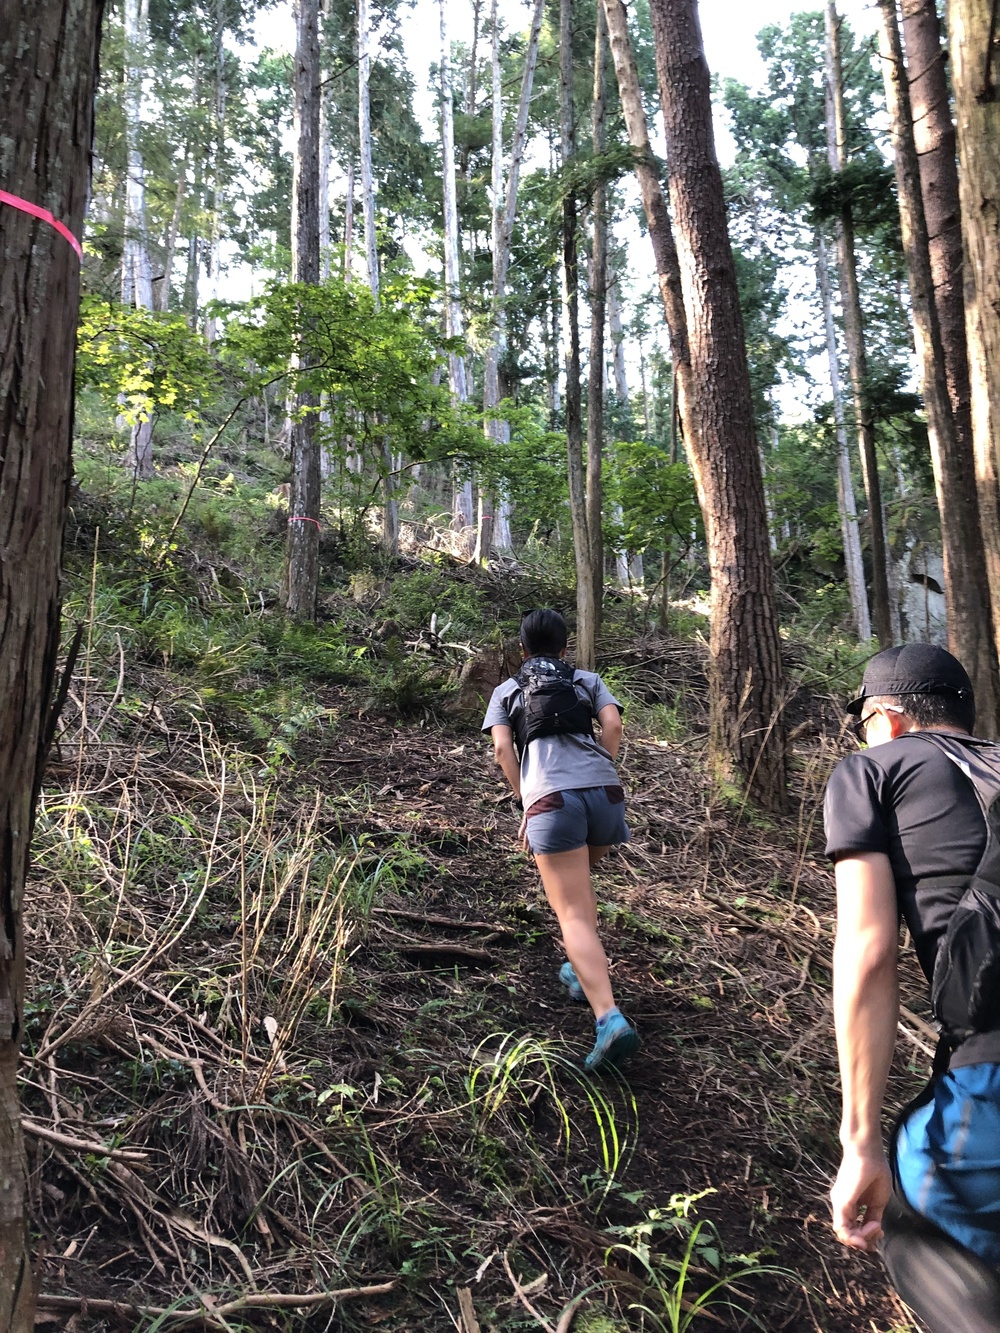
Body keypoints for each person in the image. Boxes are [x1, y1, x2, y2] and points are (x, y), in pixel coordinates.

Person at [824, 642, 1000, 1331]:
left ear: (887, 719)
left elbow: (868, 953)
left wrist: (860, 1140)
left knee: (922, 1224)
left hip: (986, 1087)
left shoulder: (872, 770)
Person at [482, 608, 639, 1072]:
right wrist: (604, 767)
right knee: (579, 892)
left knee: (571, 912)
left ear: (522, 650)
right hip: (605, 794)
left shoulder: (507, 690)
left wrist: (524, 799)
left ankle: (608, 1018)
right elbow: (613, 726)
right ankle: (579, 970)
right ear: (565, 648)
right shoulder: (586, 679)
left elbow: (502, 749)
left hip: (551, 800)